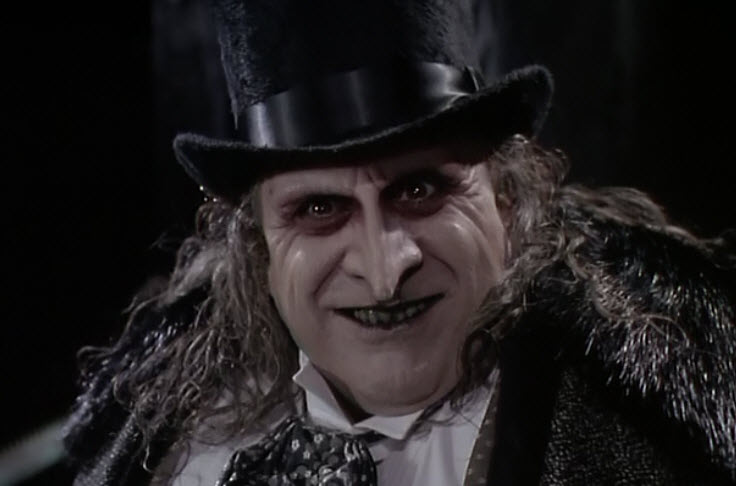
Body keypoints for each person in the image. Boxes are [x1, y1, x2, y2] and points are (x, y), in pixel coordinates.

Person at [64, 1, 736, 485]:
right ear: (258, 248)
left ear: (506, 199)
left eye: (420, 189)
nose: (385, 273)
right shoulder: (171, 448)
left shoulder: (643, 442)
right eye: (319, 209)